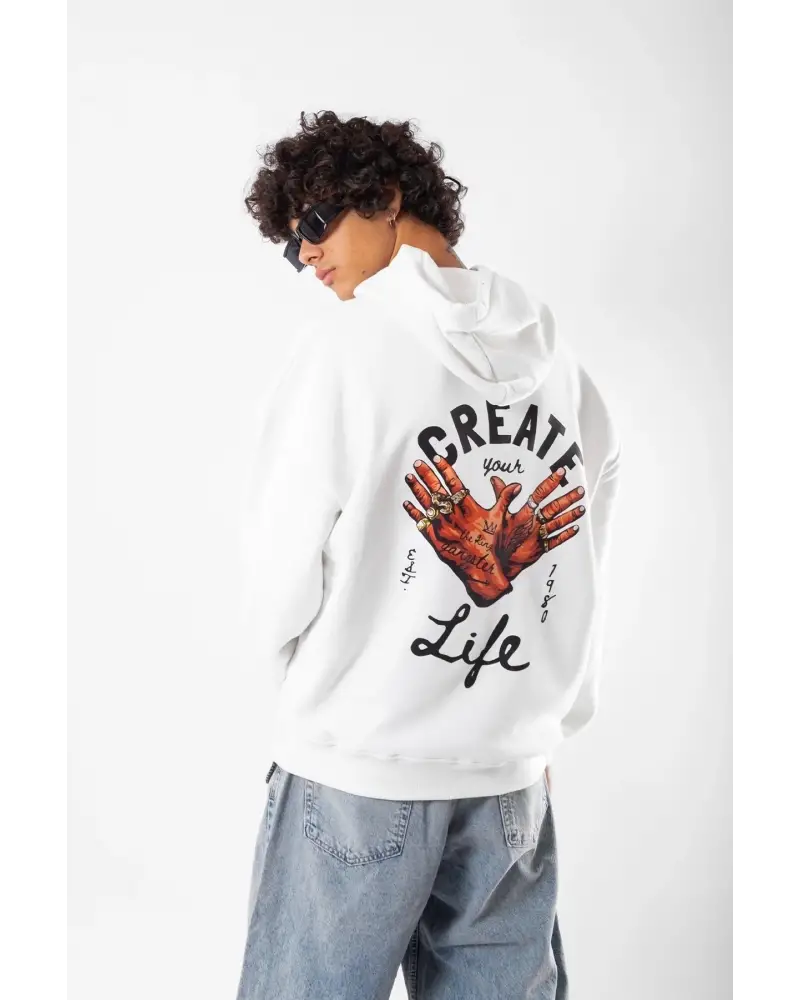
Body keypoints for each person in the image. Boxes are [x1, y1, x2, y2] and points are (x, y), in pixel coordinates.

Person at [235, 110, 622, 1000]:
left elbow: (277, 581)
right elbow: (589, 569)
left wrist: (320, 711)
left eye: (315, 222)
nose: (306, 254)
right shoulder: (567, 373)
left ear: (387, 196)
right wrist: (544, 722)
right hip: (508, 781)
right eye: (292, 245)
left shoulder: (343, 351)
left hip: (356, 770)